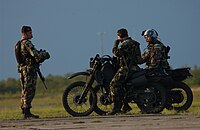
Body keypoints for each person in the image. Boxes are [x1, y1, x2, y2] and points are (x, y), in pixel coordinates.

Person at [16, 26, 50, 119]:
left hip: (22, 69)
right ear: (25, 33)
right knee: (30, 90)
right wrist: (44, 55)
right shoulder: (27, 43)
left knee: (24, 89)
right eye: (30, 33)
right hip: (29, 70)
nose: (31, 35)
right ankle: (27, 112)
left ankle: (24, 110)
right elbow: (36, 56)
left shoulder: (20, 43)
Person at [108, 28, 143, 115]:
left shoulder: (125, 44)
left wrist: (115, 43)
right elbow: (139, 59)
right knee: (122, 85)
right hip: (135, 68)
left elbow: (116, 53)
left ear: (120, 36)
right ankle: (125, 105)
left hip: (126, 69)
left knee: (114, 84)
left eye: (118, 36)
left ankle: (116, 108)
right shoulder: (135, 43)